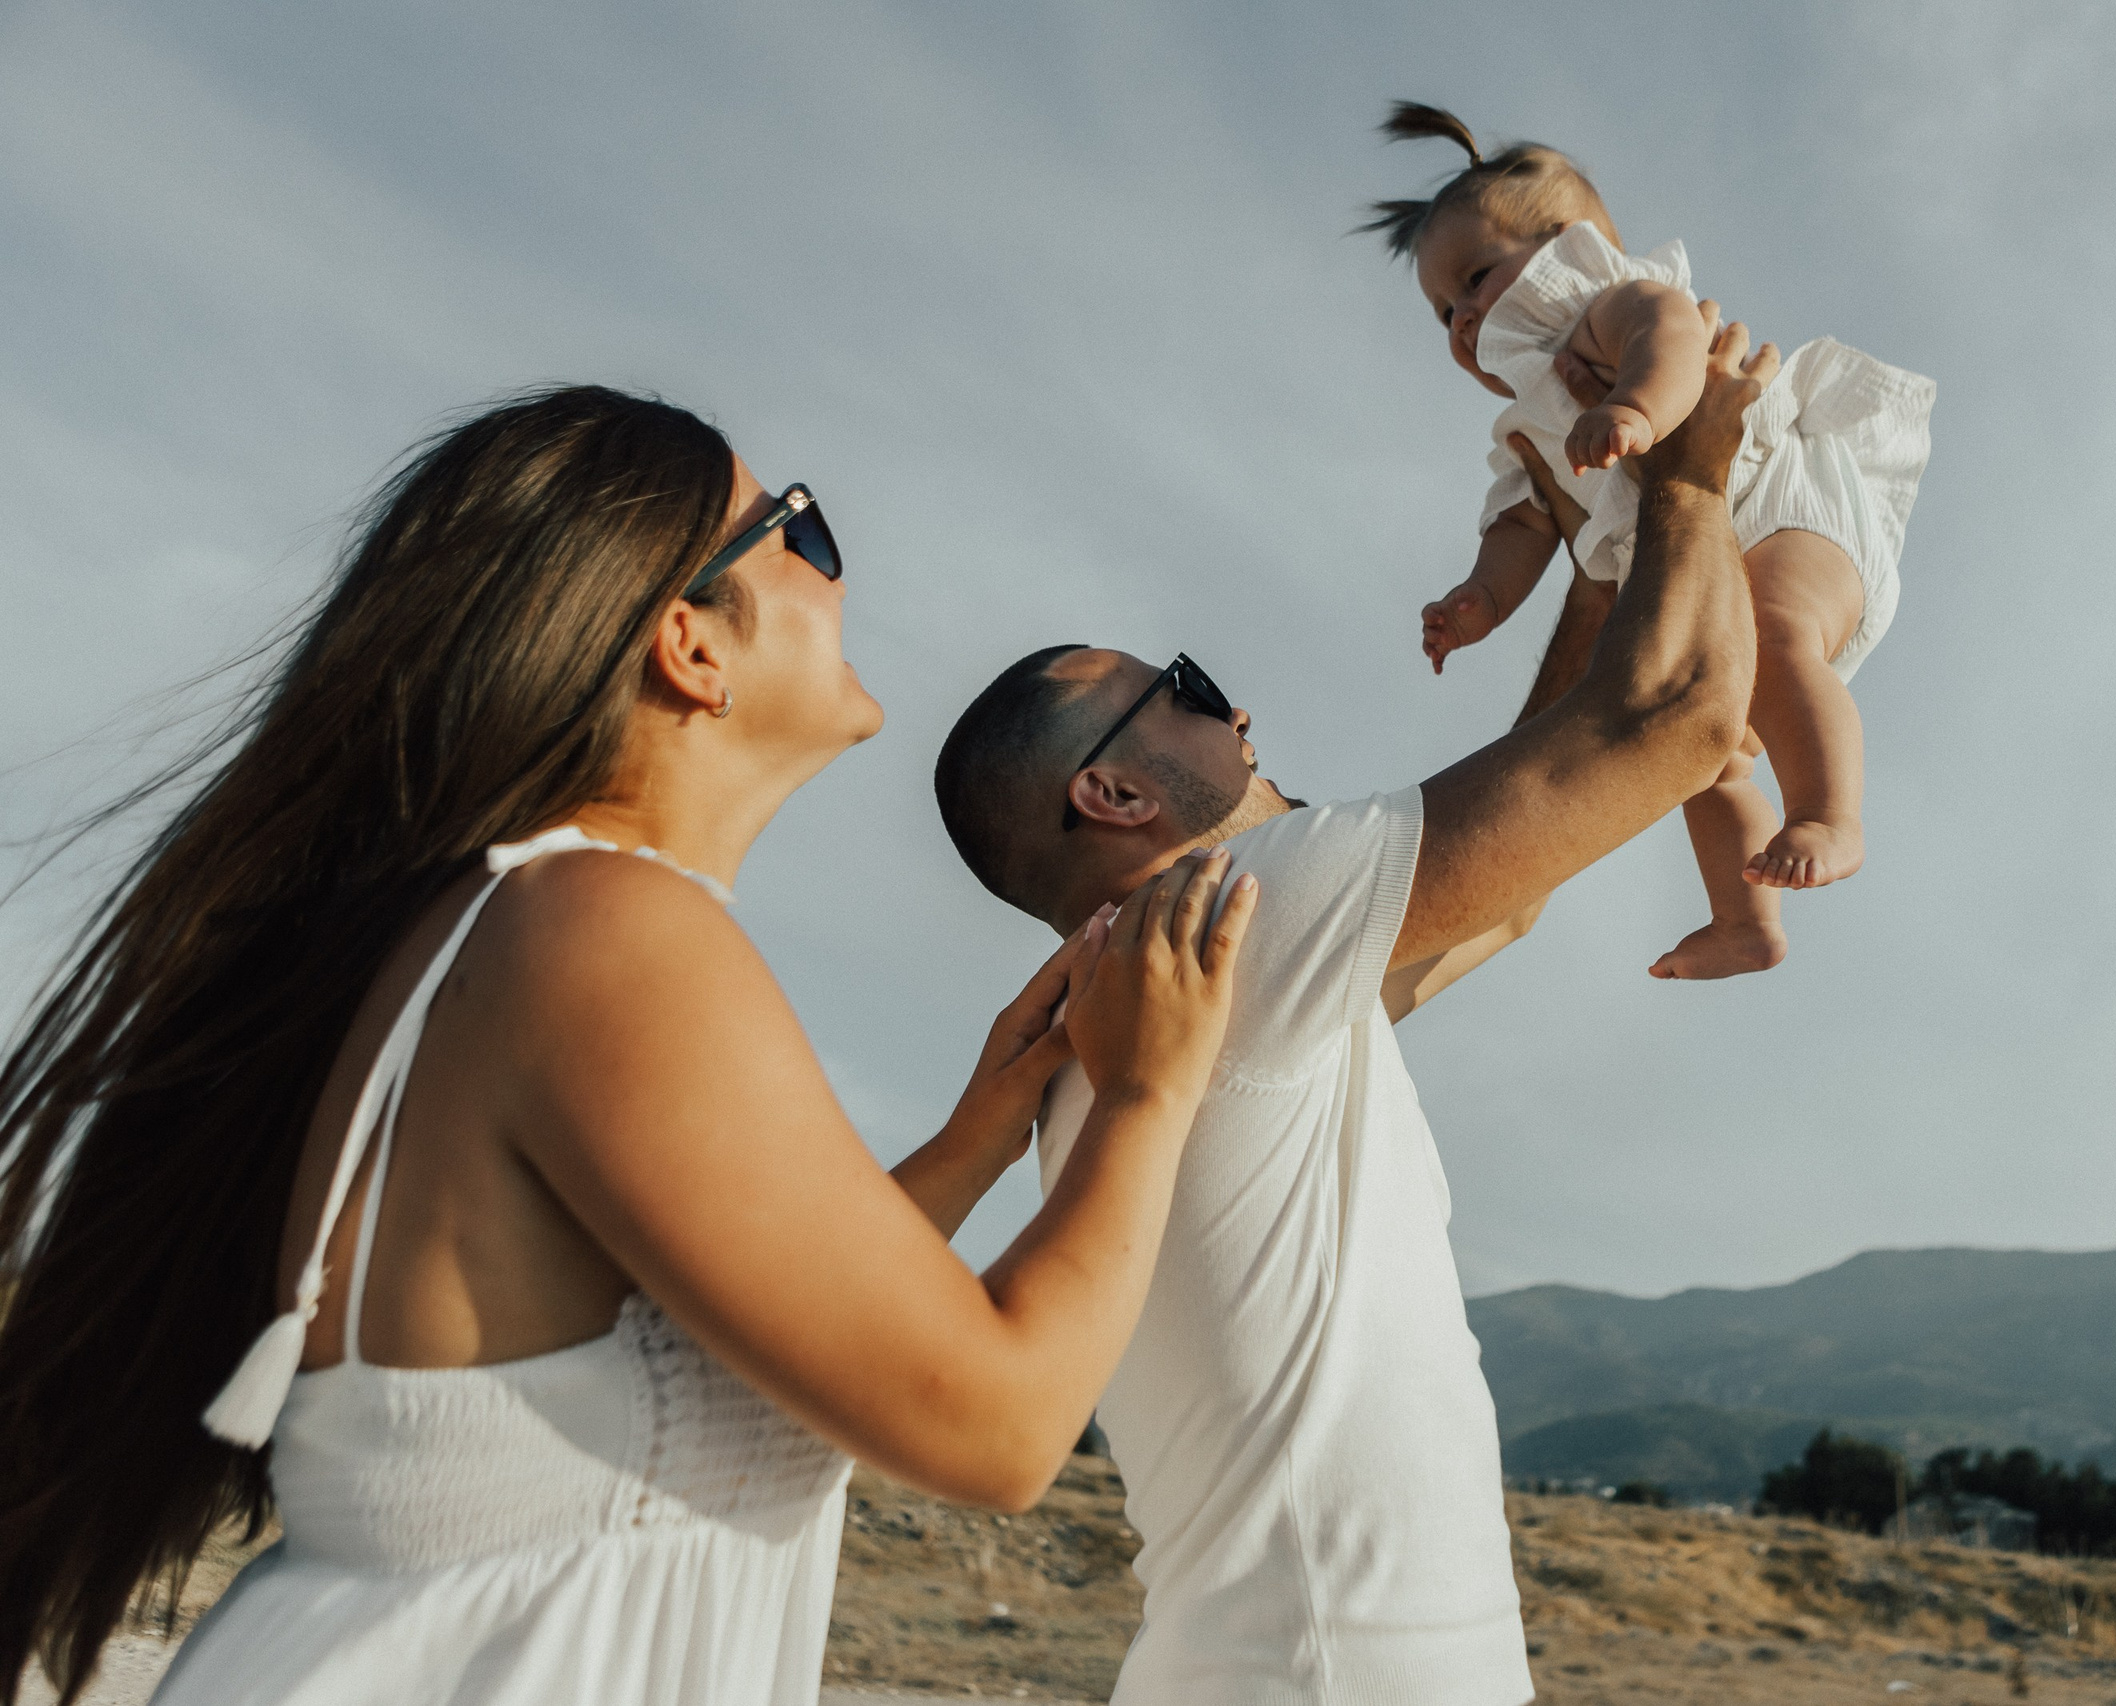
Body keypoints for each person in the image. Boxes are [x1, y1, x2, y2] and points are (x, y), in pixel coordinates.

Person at [0, 386, 1257, 1706]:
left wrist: (975, 1138)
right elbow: (1000, 1425)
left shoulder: (518, 922)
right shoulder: (602, 926)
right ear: (688, 645)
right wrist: (1144, 1092)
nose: (838, 568)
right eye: (796, 535)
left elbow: (706, 1351)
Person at [930, 313, 1776, 1704]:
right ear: (1118, 794)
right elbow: (1674, 718)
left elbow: (1512, 882)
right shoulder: (1226, 909)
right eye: (1186, 690)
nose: (1240, 708)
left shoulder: (1174, 984)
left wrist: (1594, 555)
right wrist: (1692, 465)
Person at [1373, 101, 1937, 980]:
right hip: (1709, 582)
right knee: (1703, 761)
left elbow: (1673, 341)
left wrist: (1636, 406)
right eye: (1443, 311)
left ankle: (1831, 813)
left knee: (1782, 637)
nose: (1463, 320)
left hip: (1788, 520)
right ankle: (1745, 919)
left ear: (1567, 245)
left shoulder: (1607, 303)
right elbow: (1522, 524)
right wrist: (1480, 597)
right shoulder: (1527, 426)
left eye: (1476, 279)